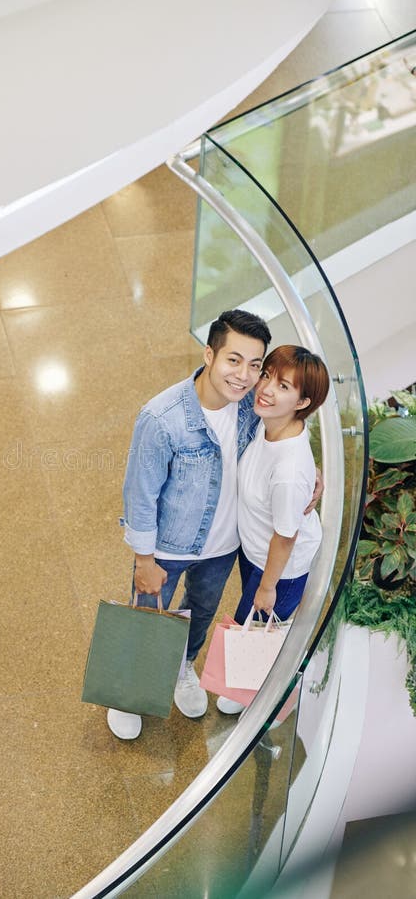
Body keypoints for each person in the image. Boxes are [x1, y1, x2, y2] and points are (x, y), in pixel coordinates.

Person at [107, 309, 272, 740]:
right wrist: (144, 558)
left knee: (200, 613)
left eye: (255, 364)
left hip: (223, 547)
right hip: (169, 545)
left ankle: (183, 668)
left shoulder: (253, 409)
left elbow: (284, 433)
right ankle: (130, 691)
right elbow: (140, 494)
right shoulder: (162, 418)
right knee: (149, 617)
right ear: (209, 354)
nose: (244, 375)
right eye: (234, 360)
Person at [216, 345, 330, 717]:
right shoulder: (278, 425)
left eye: (283, 386)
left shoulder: (288, 468)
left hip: (279, 567)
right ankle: (243, 681)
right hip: (257, 551)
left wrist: (267, 588)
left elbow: (286, 536)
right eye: (267, 376)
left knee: (258, 628)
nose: (265, 388)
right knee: (250, 627)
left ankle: (256, 696)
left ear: (303, 401)